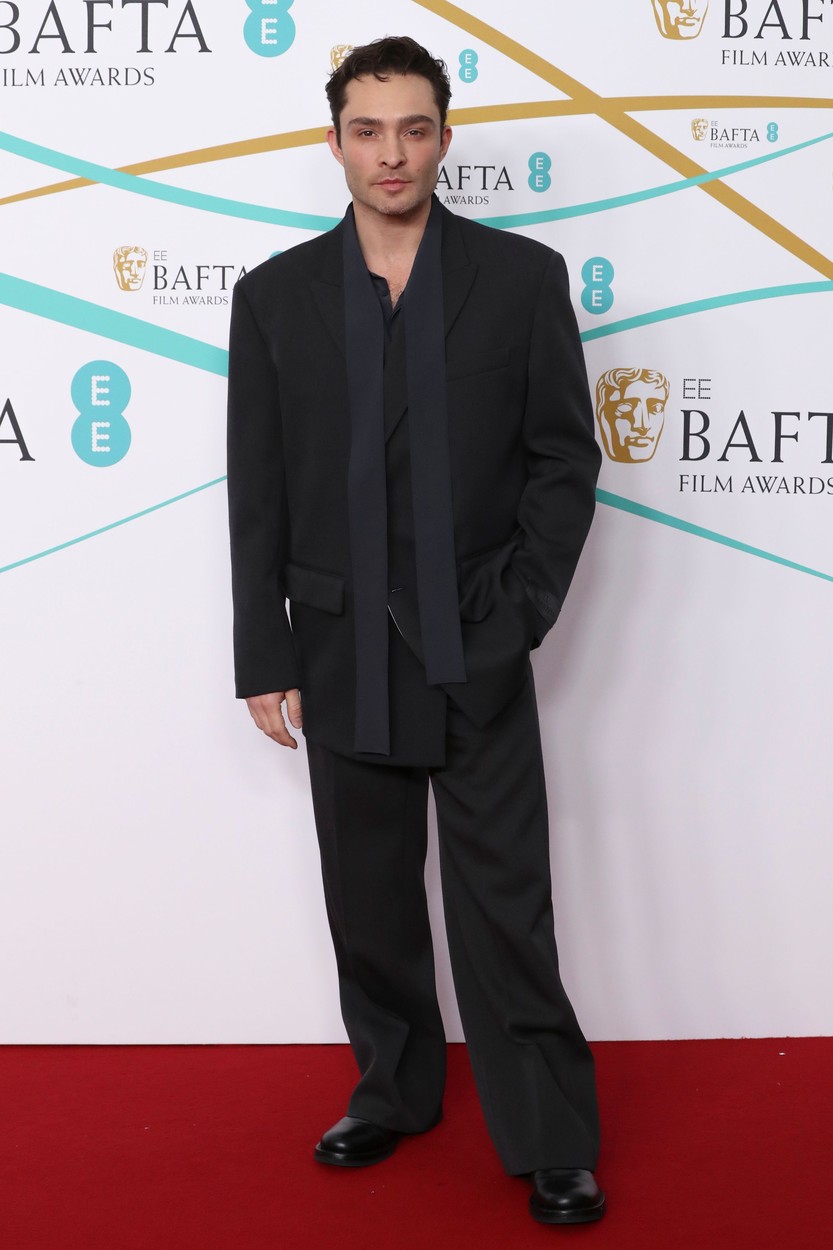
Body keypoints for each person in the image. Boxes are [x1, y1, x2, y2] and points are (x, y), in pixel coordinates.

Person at [226, 36, 605, 1226]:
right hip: (337, 647)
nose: (389, 152)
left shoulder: (520, 278)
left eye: (412, 128)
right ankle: (393, 1089)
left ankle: (550, 1135)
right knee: (369, 897)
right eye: (366, 129)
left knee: (505, 906)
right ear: (335, 140)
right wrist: (263, 652)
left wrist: (521, 609)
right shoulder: (274, 296)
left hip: (474, 639)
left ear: (443, 137)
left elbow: (562, 459)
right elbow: (257, 489)